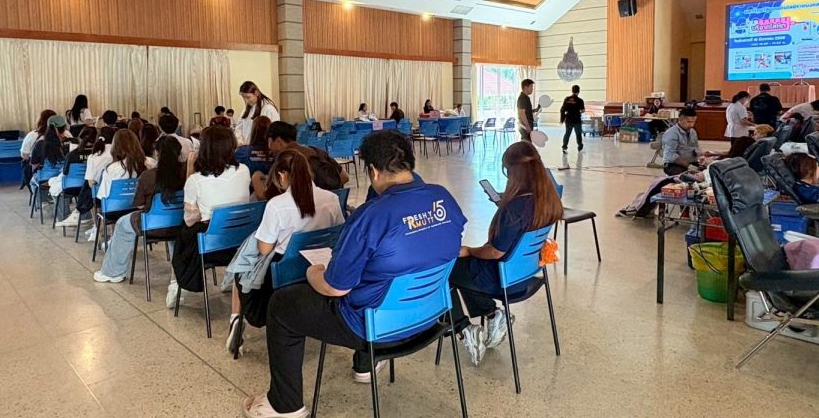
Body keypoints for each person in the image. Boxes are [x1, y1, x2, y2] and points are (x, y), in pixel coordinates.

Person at [240, 131, 466, 418]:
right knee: (378, 277)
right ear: (410, 163)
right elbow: (450, 248)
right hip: (428, 316)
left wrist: (313, 273)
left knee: (282, 303)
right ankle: (365, 365)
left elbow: (335, 288)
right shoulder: (442, 197)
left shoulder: (371, 215)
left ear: (372, 171)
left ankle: (285, 405)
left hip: (373, 328)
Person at [448, 141, 563, 366]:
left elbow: (494, 251)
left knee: (447, 269)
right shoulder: (548, 199)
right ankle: (493, 314)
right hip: (525, 274)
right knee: (465, 267)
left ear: (514, 172)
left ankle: (463, 328)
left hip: (502, 279)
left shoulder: (514, 209)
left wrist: (470, 250)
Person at [224, 148, 346, 358]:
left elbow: (264, 249)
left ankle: (236, 318)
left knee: (241, 266)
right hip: (319, 266)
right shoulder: (331, 199)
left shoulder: (277, 205)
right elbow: (338, 234)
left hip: (284, 271)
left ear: (282, 175)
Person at [168, 126, 252, 308]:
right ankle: (230, 276)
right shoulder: (244, 170)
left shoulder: (196, 180)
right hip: (240, 242)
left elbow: (190, 218)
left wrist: (190, 170)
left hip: (210, 246)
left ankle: (175, 283)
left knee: (183, 231)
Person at [94, 136, 186, 283]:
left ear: (157, 153)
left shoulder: (148, 176)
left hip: (151, 224)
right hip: (180, 223)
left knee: (122, 224)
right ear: (179, 152)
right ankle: (179, 273)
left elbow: (140, 206)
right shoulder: (187, 173)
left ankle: (113, 272)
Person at [250, 121, 348, 196]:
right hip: (332, 209)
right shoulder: (317, 152)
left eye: (269, 141)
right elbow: (344, 177)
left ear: (279, 141)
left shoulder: (284, 160)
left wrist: (256, 178)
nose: (269, 147)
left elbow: (267, 196)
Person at [55, 126, 98, 226]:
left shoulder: (72, 155)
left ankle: (64, 217)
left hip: (73, 186)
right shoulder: (98, 154)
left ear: (80, 138)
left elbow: (65, 172)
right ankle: (86, 216)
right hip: (93, 187)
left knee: (56, 190)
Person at [661, 108, 699, 176]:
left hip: (690, 162)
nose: (691, 125)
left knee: (709, 173)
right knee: (688, 176)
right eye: (689, 122)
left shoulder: (693, 132)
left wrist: (701, 155)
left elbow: (695, 147)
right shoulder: (672, 133)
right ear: (680, 119)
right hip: (673, 165)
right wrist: (688, 166)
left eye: (694, 122)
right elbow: (670, 155)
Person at [560, 85, 585, 152]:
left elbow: (563, 109)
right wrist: (578, 111)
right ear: (578, 91)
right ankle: (580, 147)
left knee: (567, 133)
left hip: (568, 119)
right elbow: (583, 110)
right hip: (577, 119)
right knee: (578, 134)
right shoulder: (580, 100)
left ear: (572, 91)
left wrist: (562, 119)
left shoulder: (567, 99)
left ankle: (564, 147)